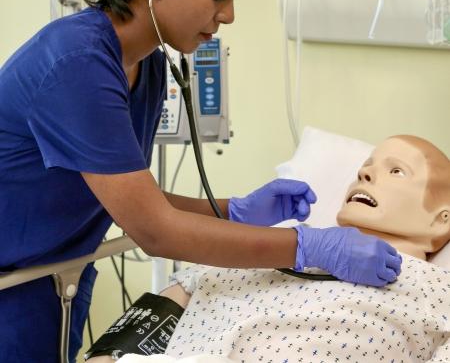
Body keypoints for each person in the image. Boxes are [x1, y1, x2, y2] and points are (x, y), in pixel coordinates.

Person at [0, 0, 401, 362]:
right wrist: (307, 245)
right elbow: (155, 230)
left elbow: (123, 196)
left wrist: (233, 211)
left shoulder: (142, 65)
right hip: (15, 286)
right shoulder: (78, 64)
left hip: (50, 283)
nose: (227, 15)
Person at [87, 134, 450, 362]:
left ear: (441, 219)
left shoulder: (437, 293)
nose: (365, 175)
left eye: (396, 171)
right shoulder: (269, 246)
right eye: (364, 168)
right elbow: (165, 304)